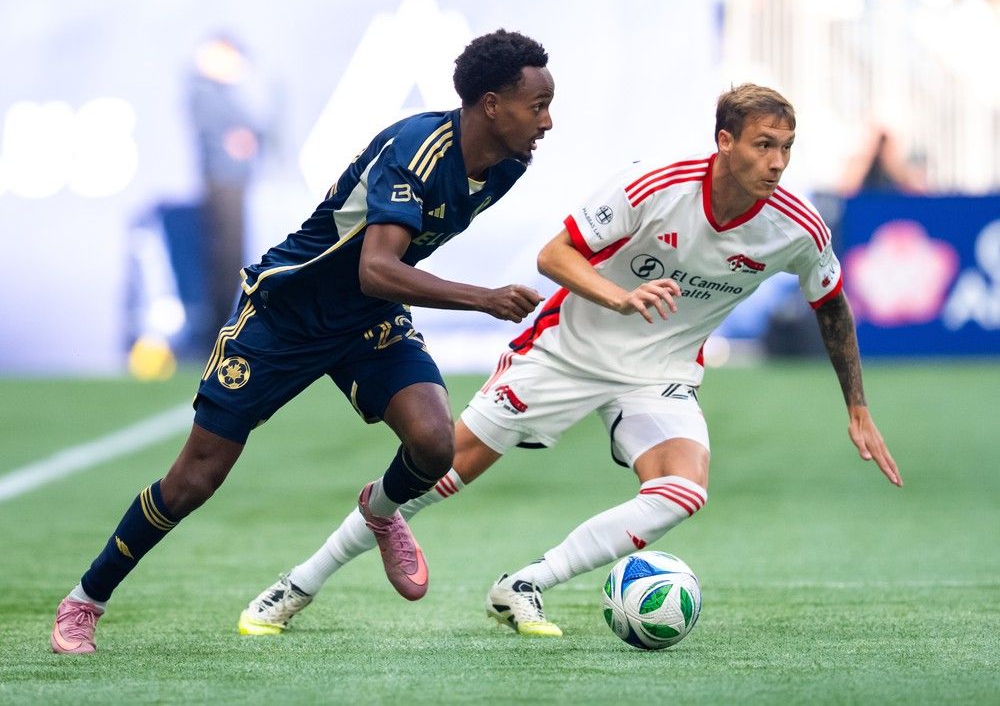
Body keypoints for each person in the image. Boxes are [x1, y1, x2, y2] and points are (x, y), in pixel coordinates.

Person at [237, 83, 902, 638]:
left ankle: (525, 583)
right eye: (763, 145)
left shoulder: (796, 226)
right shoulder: (657, 185)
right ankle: (297, 583)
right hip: (565, 354)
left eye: (786, 147)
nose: (778, 162)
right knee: (435, 473)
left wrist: (859, 409)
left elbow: (832, 304)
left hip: (658, 376)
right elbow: (555, 255)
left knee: (683, 488)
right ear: (724, 142)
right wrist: (621, 296)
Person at [49, 29, 555, 654]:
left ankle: (380, 508)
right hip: (286, 315)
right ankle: (85, 601)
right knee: (194, 480)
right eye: (537, 106)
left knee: (433, 445)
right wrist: (483, 298)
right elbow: (376, 266)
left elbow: (377, 281)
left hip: (366, 319)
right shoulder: (415, 150)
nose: (547, 121)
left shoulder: (509, 165)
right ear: (489, 104)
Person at [187, 33, 266, 344]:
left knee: (234, 257)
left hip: (233, 180)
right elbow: (230, 138)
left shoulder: (226, 91)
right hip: (223, 181)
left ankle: (224, 327)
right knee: (226, 257)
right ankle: (218, 331)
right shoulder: (204, 90)